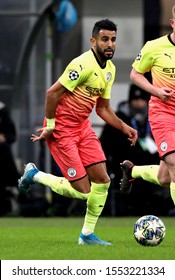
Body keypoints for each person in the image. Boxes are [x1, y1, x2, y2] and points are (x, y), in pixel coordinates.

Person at [18, 18, 137, 245]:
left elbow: (102, 108)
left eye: (113, 39)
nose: (109, 44)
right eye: (104, 39)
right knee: (83, 191)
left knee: (102, 181)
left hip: (82, 127)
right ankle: (34, 175)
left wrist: (124, 127)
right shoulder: (81, 65)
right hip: (61, 129)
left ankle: (86, 235)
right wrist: (51, 126)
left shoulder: (109, 70)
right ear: (93, 41)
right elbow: (52, 93)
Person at [120, 5, 175, 210]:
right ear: (172, 23)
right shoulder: (154, 47)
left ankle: (132, 172)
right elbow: (135, 74)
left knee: (164, 178)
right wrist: (156, 91)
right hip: (164, 113)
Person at [100, 84, 159, 215]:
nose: (138, 103)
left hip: (149, 165)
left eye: (142, 100)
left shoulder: (154, 118)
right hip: (121, 164)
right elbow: (105, 144)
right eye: (135, 100)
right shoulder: (118, 119)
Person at [0, 101, 20, 215]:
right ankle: (16, 182)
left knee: (4, 147)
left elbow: (12, 135)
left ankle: (15, 183)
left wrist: (4, 137)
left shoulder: (2, 109)